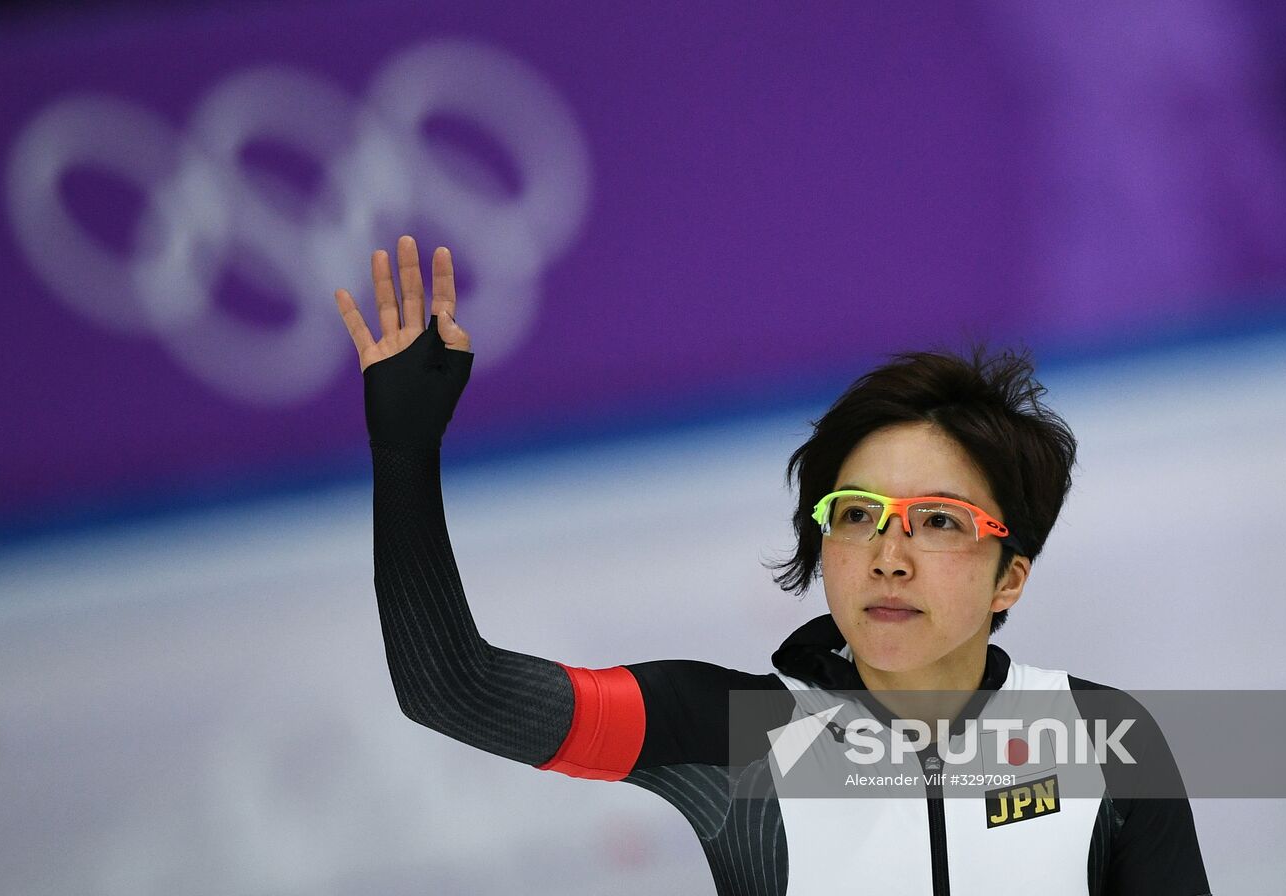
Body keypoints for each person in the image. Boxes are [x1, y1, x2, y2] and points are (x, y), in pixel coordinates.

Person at [335, 235, 1211, 896]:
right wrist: (405, 454)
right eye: (857, 515)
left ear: (1009, 575)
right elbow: (450, 688)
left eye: (937, 521)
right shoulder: (736, 735)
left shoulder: (1102, 739)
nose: (889, 557)